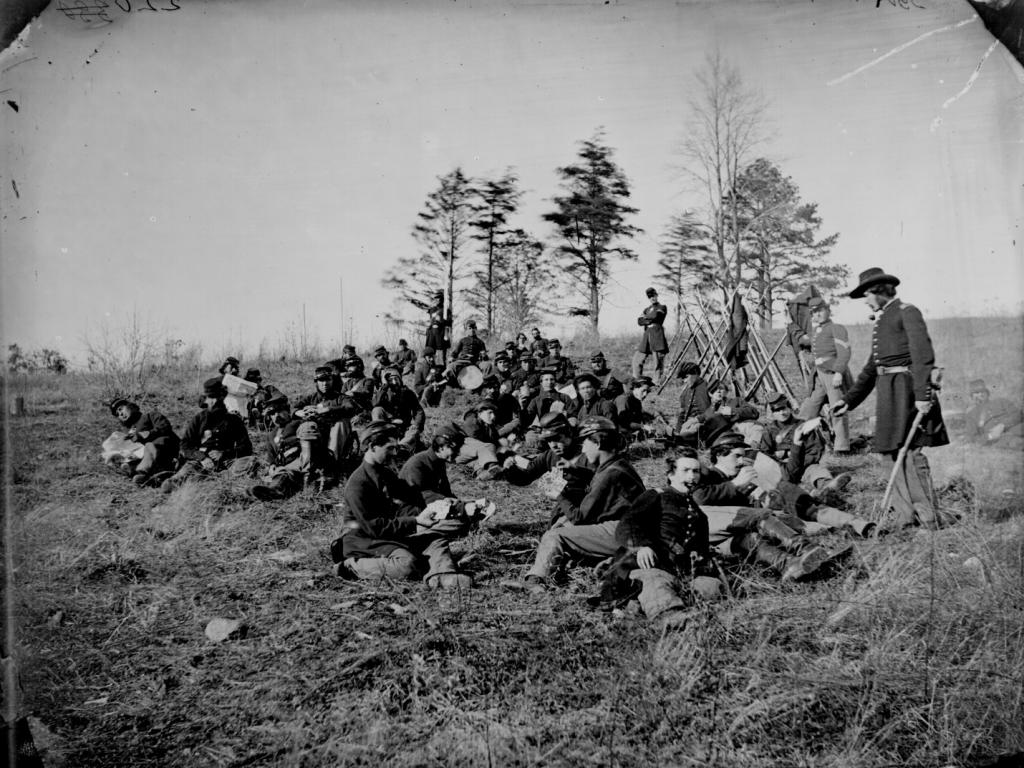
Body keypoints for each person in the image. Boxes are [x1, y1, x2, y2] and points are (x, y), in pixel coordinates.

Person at [832, 267, 950, 530]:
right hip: (888, 392)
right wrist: (849, 400)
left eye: (867, 295)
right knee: (888, 453)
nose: (865, 300)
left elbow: (923, 355)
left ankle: (928, 517)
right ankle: (904, 515)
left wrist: (923, 395)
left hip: (907, 391)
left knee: (910, 453)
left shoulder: (907, 312)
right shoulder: (882, 319)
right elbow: (873, 366)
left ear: (880, 291)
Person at [334, 422, 472, 589]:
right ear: (372, 447)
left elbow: (406, 501)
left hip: (388, 535)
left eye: (396, 448)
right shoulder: (358, 484)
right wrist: (415, 521)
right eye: (390, 448)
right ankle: (350, 566)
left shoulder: (386, 474)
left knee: (435, 539)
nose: (395, 453)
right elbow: (372, 527)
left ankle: (442, 575)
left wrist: (434, 508)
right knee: (407, 564)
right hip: (362, 540)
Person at [593, 448, 723, 616]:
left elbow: (702, 548)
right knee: (657, 586)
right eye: (685, 470)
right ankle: (672, 618)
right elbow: (628, 523)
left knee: (711, 587)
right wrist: (641, 547)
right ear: (671, 474)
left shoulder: (698, 513)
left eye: (696, 471)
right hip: (650, 563)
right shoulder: (656, 495)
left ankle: (677, 607)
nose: (692, 476)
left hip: (680, 571)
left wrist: (701, 559)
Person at [520, 417, 646, 591]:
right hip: (630, 528)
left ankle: (535, 581)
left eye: (586, 443)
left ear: (598, 443)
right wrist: (575, 469)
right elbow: (599, 480)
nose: (584, 449)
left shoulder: (608, 476)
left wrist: (559, 495)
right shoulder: (617, 464)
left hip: (624, 533)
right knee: (563, 525)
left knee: (555, 535)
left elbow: (580, 518)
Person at [696, 430, 874, 537]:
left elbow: (781, 476)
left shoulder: (743, 471)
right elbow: (700, 498)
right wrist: (735, 484)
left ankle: (859, 524)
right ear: (719, 455)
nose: (742, 460)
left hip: (775, 503)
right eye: (737, 456)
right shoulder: (707, 474)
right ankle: (836, 526)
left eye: (743, 455)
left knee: (800, 501)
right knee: (797, 522)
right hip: (758, 521)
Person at [162, 378, 253, 492]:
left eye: (217, 397)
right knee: (170, 485)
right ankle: (199, 481)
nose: (214, 401)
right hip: (200, 462)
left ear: (222, 397)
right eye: (211, 398)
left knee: (250, 462)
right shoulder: (199, 419)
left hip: (227, 462)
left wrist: (224, 454)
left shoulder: (234, 420)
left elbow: (246, 448)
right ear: (206, 400)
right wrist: (202, 457)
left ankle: (219, 480)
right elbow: (185, 445)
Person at [502, 412, 593, 526]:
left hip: (588, 510)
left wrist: (575, 469)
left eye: (557, 438)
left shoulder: (588, 453)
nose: (553, 445)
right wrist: (510, 469)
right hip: (565, 508)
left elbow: (602, 481)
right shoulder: (550, 456)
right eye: (549, 440)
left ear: (569, 433)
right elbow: (526, 477)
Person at [759, 392, 851, 498]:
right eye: (777, 411)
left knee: (816, 469)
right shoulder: (769, 431)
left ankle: (827, 485)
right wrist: (781, 462)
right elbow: (765, 455)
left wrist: (799, 463)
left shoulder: (804, 426)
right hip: (783, 468)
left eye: (783, 408)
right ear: (773, 413)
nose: (781, 413)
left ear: (790, 408)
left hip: (803, 465)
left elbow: (815, 450)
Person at [399, 427, 495, 521]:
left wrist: (463, 502)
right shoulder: (416, 463)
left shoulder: (439, 462)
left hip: (431, 505)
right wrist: (459, 507)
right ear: (441, 448)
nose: (458, 453)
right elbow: (421, 495)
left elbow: (445, 491)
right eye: (455, 449)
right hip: (412, 512)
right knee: (458, 523)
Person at [797, 296, 852, 452]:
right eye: (814, 313)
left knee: (837, 409)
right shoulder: (817, 330)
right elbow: (811, 342)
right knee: (810, 406)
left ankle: (842, 447)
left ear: (828, 310)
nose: (817, 315)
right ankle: (798, 439)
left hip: (832, 372)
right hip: (819, 374)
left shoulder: (837, 328)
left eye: (820, 311)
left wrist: (839, 373)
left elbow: (844, 352)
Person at [248, 401, 330, 500]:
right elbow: (271, 457)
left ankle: (276, 489)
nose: (276, 416)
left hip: (304, 459)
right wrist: (272, 465)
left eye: (279, 411)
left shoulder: (300, 423)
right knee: (280, 472)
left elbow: (313, 439)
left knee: (287, 471)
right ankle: (274, 491)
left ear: (287, 411)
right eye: (272, 414)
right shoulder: (271, 435)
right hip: (285, 465)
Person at [293, 365, 363, 477]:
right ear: (316, 382)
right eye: (321, 380)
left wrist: (327, 409)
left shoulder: (340, 398)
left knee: (341, 423)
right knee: (307, 426)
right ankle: (307, 472)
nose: (325, 383)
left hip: (337, 440)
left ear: (332, 381)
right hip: (317, 438)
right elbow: (294, 409)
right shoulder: (311, 398)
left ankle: (331, 466)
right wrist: (300, 413)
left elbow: (350, 407)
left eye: (328, 380)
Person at [107, 397, 180, 486]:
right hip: (147, 458)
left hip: (166, 449)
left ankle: (143, 472)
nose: (121, 414)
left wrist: (142, 435)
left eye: (120, 409)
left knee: (150, 446)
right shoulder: (128, 431)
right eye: (117, 414)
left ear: (131, 406)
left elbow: (164, 427)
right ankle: (148, 476)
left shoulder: (150, 416)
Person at [371, 365, 426, 452]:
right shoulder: (383, 393)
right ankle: (381, 440)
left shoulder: (408, 393)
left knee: (413, 433)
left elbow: (418, 411)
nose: (394, 382)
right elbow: (375, 404)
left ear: (400, 380)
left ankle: (400, 449)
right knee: (377, 410)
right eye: (390, 380)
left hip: (404, 427)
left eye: (396, 379)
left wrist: (416, 425)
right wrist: (384, 387)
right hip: (387, 428)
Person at [964, 379, 1023, 449]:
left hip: (1017, 428)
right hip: (999, 439)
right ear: (972, 397)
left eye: (982, 391)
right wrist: (990, 436)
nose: (980, 394)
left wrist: (1002, 425)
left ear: (987, 393)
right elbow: (972, 437)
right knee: (1013, 442)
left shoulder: (1001, 401)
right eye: (976, 392)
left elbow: (1017, 414)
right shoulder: (971, 415)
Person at [520, 369, 575, 444]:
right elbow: (528, 418)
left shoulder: (564, 397)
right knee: (530, 436)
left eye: (552, 379)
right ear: (541, 383)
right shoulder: (536, 400)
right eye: (546, 380)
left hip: (561, 428)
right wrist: (522, 407)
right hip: (544, 430)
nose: (549, 382)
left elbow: (572, 413)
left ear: (555, 382)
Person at [455, 400, 506, 480]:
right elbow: (480, 445)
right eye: (490, 413)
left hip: (472, 456)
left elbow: (496, 441)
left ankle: (482, 474)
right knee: (488, 447)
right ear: (480, 412)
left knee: (479, 462)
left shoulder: (488, 424)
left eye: (494, 413)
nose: (493, 416)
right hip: (461, 453)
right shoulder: (471, 423)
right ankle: (493, 467)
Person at [632, 287, 669, 384]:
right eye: (650, 296)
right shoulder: (647, 309)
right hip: (647, 337)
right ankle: (638, 381)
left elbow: (657, 316)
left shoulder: (662, 307)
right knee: (637, 360)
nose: (652, 298)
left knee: (657, 363)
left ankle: (656, 383)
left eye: (654, 295)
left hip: (657, 337)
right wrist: (649, 319)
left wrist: (646, 319)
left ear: (657, 295)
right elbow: (639, 321)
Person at [674, 362, 711, 443]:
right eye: (683, 378)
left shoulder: (708, 388)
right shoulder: (685, 392)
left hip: (703, 425)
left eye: (686, 377)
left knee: (687, 434)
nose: (685, 381)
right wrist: (677, 431)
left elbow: (713, 411)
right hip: (688, 425)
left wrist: (694, 421)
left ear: (696, 374)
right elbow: (682, 414)